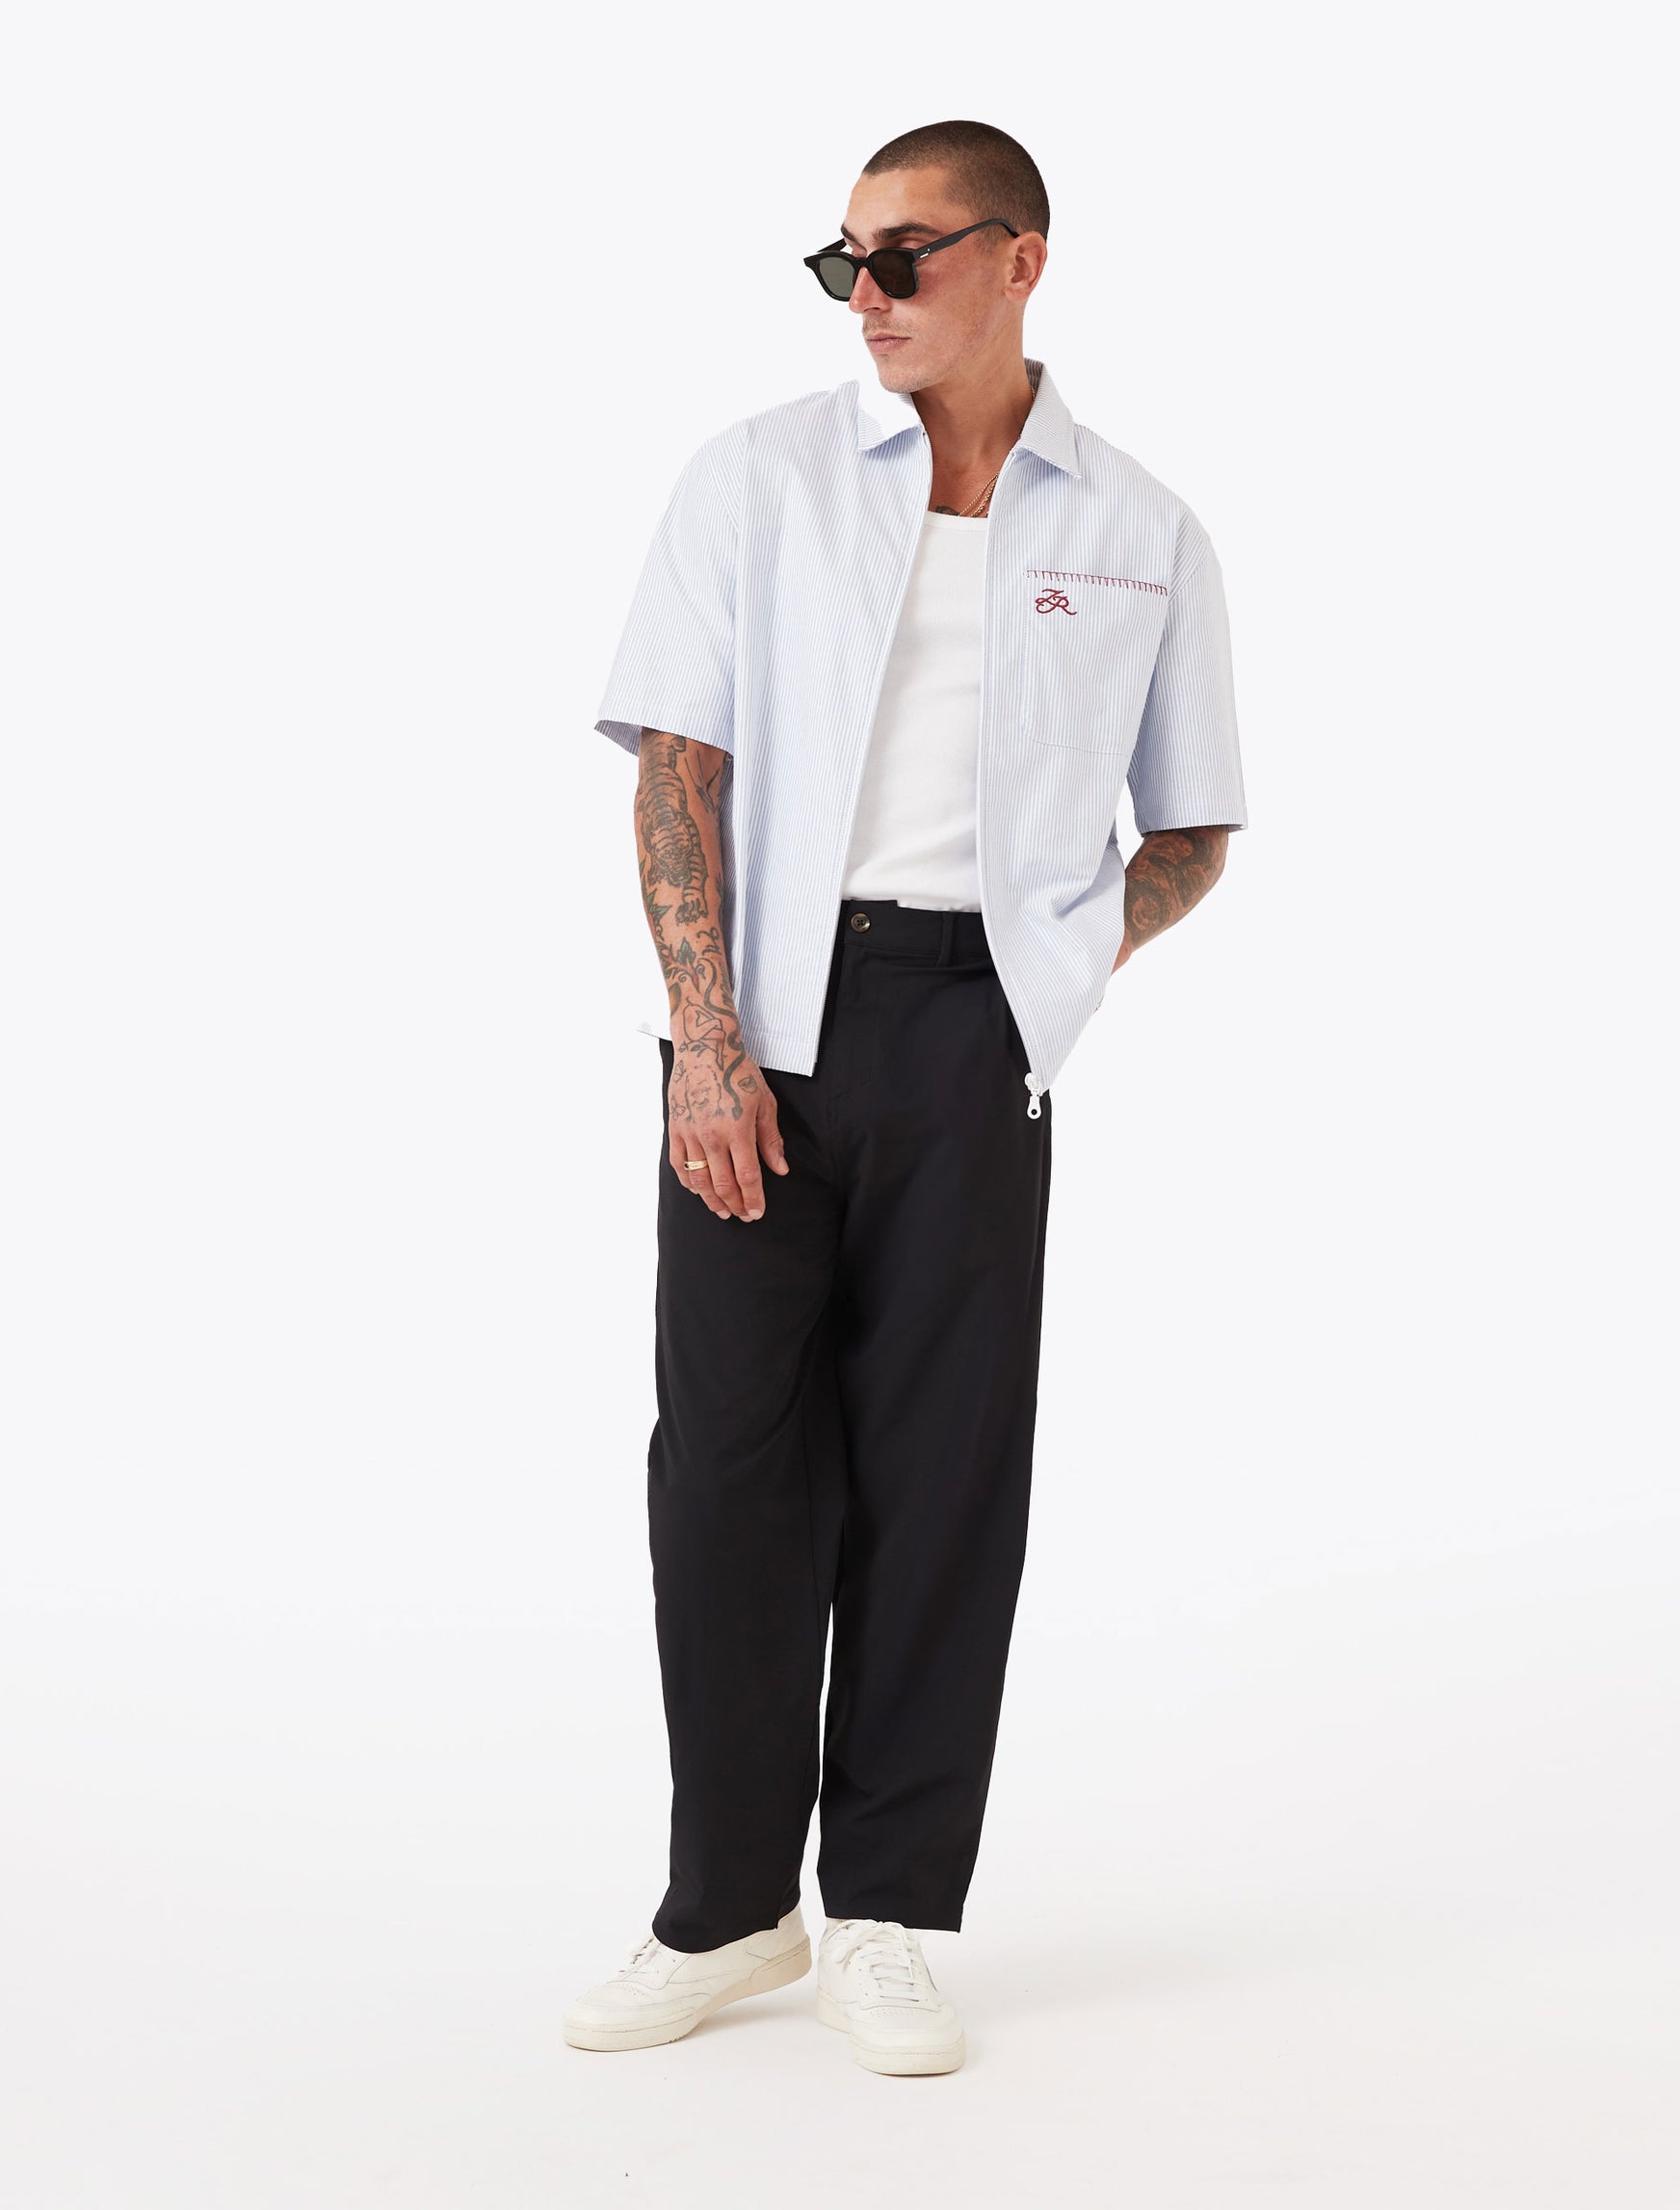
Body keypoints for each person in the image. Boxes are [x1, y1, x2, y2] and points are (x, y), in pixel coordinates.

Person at [565, 119, 1247, 2076]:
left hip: (975, 1030)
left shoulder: (1141, 528)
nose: (864, 294)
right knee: (725, 1474)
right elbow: (677, 764)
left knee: (944, 1479)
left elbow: (1191, 824)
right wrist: (705, 1038)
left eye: (905, 255)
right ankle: (724, 1909)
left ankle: (881, 1912)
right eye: (843, 261)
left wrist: (1053, 971)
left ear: (1020, 260)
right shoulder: (761, 478)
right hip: (760, 1026)